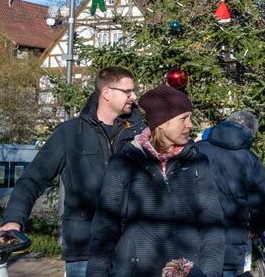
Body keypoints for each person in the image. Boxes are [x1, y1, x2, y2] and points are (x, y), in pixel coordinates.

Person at [0, 67, 144, 277]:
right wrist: (13, 220)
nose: (134, 96)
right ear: (107, 93)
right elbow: (32, 180)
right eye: (128, 91)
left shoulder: (140, 134)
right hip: (84, 249)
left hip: (131, 249)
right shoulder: (70, 134)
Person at [87, 84, 224, 277]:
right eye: (183, 118)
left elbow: (213, 226)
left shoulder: (197, 162)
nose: (190, 125)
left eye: (190, 117)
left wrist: (209, 273)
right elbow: (104, 228)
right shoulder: (125, 162)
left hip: (188, 272)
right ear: (161, 123)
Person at [196, 111, 265, 277]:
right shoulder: (250, 160)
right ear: (250, 133)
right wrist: (255, 229)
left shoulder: (198, 150)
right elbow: (262, 204)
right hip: (233, 242)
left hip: (198, 239)